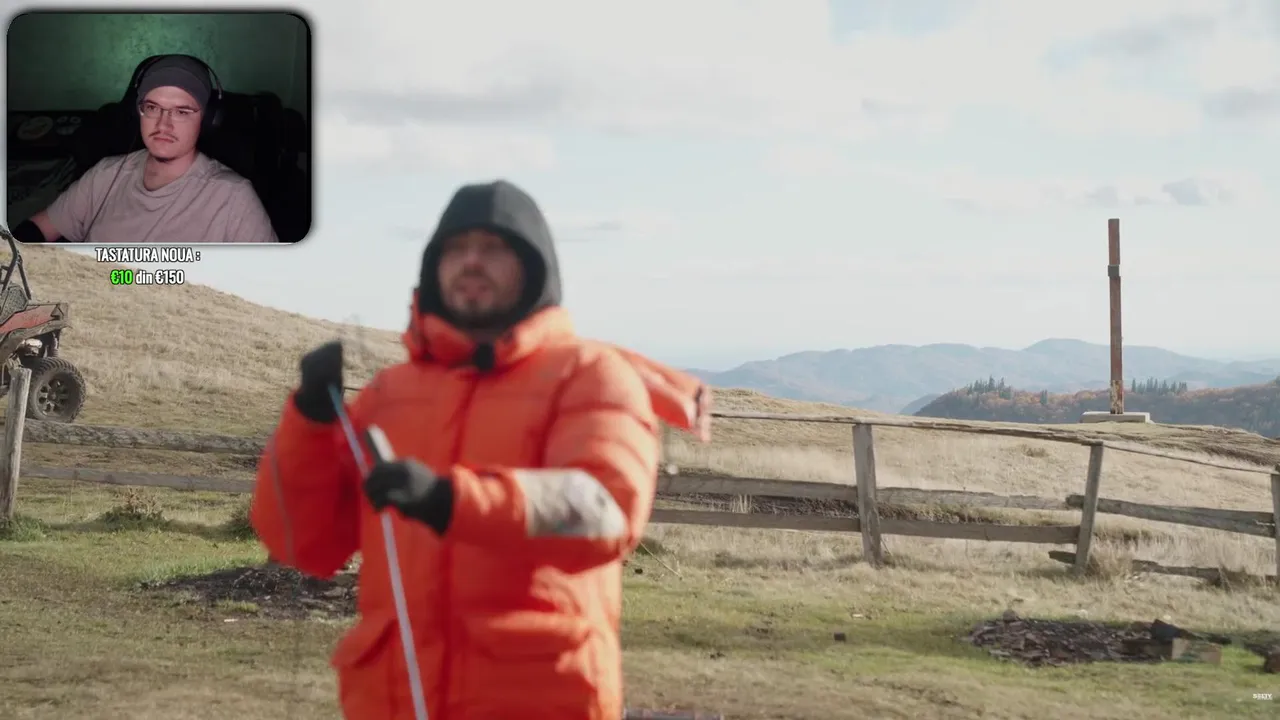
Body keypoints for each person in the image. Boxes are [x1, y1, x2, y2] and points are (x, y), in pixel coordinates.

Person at [250, 179, 711, 720]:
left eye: (493, 248)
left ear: (534, 267)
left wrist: (453, 501)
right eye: (455, 248)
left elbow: (602, 511)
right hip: (394, 701)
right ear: (433, 268)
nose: (471, 261)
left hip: (535, 702)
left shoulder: (591, 377)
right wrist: (308, 423)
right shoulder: (389, 394)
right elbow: (303, 544)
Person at [12, 55, 277, 244]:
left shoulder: (234, 197)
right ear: (137, 111)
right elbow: (40, 227)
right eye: (152, 108)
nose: (163, 124)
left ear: (208, 120)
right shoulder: (105, 174)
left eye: (181, 112)